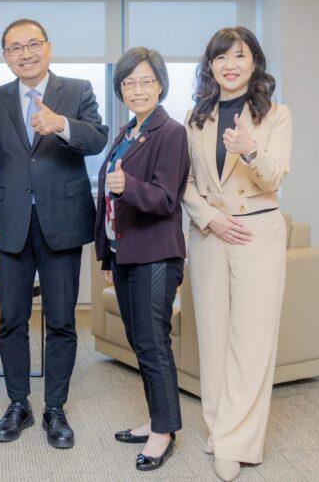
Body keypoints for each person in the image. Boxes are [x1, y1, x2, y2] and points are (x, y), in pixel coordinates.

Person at [0, 19, 108, 449]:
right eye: (15, 48)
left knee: (62, 320)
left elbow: (98, 138)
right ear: (5, 56)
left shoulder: (78, 90)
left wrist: (62, 124)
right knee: (12, 319)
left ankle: (55, 407)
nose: (25, 53)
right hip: (9, 223)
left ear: (47, 48)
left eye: (33, 44)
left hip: (62, 220)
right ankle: (19, 403)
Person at [182, 26, 292, 481]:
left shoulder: (276, 115)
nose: (230, 64)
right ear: (210, 66)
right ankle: (219, 428)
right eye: (221, 57)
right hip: (209, 235)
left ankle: (237, 443)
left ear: (255, 62)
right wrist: (209, 218)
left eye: (240, 55)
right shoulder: (196, 116)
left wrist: (249, 151)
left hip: (255, 234)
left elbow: (275, 177)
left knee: (251, 341)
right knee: (212, 339)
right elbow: (186, 184)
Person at [93, 48, 189, 470]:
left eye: (146, 81)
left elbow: (166, 198)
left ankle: (164, 431)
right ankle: (156, 419)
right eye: (129, 83)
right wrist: (108, 257)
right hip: (126, 253)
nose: (137, 89)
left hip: (156, 253)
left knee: (153, 342)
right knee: (139, 341)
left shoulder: (171, 133)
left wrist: (126, 186)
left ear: (161, 85)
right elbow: (109, 200)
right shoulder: (127, 132)